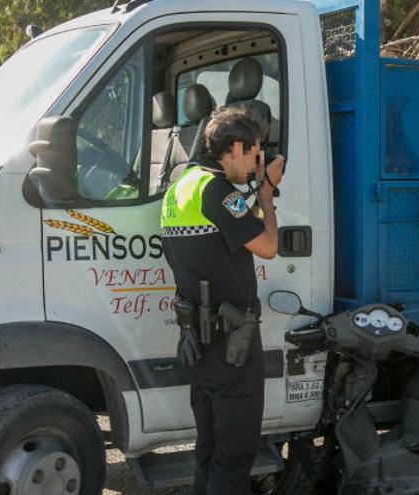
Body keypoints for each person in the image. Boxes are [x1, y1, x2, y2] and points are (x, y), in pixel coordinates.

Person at [160, 105, 284, 494]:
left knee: (209, 448)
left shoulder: (182, 185)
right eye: (254, 152)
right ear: (234, 147)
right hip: (233, 344)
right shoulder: (219, 192)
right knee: (234, 455)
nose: (257, 162)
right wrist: (265, 191)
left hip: (198, 342)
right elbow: (267, 246)